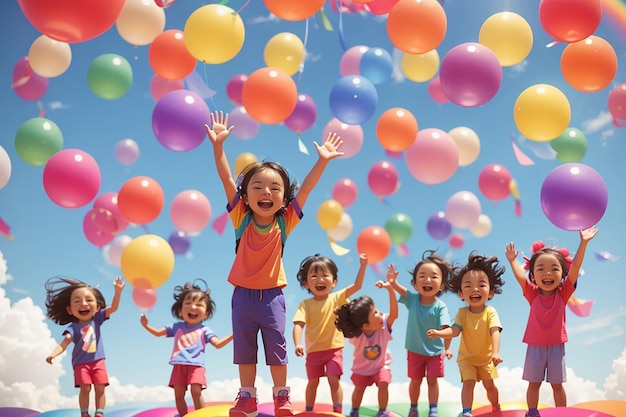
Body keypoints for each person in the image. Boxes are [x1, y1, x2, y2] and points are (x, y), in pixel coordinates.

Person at [204, 111, 344, 417]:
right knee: (244, 348)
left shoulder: (285, 220)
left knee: (277, 347)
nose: (265, 192)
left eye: (274, 188)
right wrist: (218, 147)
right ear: (246, 195)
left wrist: (322, 160)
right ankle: (247, 397)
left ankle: (281, 396)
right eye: (257, 186)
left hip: (272, 297)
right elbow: (227, 178)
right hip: (242, 294)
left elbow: (305, 189)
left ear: (284, 198)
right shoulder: (241, 217)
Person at [504, 226, 598, 417]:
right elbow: (520, 277)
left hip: (556, 346)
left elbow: (576, 267)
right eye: (541, 269)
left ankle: (562, 412)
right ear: (533, 274)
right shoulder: (532, 293)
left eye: (554, 269)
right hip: (535, 345)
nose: (547, 274)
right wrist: (513, 261)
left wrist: (583, 243)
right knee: (534, 382)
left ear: (562, 273)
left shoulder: (564, 293)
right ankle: (532, 412)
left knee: (557, 384)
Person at [426, 253, 506, 417]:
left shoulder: (490, 312)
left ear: (490, 292)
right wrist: (439, 332)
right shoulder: (462, 313)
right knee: (468, 383)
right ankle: (467, 412)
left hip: (486, 359)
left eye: (481, 285)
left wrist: (495, 352)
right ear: (461, 294)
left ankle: (496, 406)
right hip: (467, 358)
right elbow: (454, 331)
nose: (475, 289)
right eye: (468, 286)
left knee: (489, 386)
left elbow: (495, 331)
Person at [140, 280, 233, 417]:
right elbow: (159, 333)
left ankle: (202, 415)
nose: (193, 307)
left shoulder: (204, 330)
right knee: (178, 394)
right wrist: (146, 326)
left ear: (206, 313)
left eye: (199, 305)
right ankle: (184, 415)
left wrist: (234, 334)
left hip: (196, 366)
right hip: (179, 365)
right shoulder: (177, 327)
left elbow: (218, 344)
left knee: (196, 391)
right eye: (188, 303)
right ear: (180, 311)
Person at [292, 253, 368, 414]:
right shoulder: (305, 304)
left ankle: (337, 411)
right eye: (314, 276)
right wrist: (297, 343)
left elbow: (357, 286)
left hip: (334, 349)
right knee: (312, 382)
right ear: (306, 283)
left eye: (325, 275)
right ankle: (309, 411)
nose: (320, 280)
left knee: (334, 380)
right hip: (313, 351)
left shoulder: (337, 298)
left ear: (334, 281)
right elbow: (298, 324)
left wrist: (363, 266)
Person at [45, 276, 125, 417]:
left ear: (97, 307)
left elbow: (114, 308)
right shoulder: (72, 327)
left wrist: (117, 292)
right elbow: (64, 343)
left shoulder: (97, 319)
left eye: (89, 300)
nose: (83, 304)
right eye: (77, 301)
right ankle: (84, 413)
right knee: (85, 388)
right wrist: (53, 354)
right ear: (69, 310)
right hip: (81, 363)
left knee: (100, 388)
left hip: (98, 361)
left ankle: (99, 413)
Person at [388, 251, 453, 417]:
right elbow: (402, 292)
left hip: (435, 352)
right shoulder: (413, 300)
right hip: (415, 349)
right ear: (415, 284)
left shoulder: (441, 307)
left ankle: (433, 409)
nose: (428, 280)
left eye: (434, 276)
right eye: (422, 276)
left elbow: (448, 330)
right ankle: (413, 407)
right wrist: (393, 283)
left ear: (442, 285)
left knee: (432, 381)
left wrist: (441, 338)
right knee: (415, 381)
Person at [335, 267, 399, 417]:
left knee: (383, 383)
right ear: (365, 325)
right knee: (359, 389)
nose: (380, 313)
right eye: (375, 313)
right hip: (361, 369)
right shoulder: (356, 334)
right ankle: (354, 411)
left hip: (380, 366)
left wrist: (390, 289)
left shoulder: (384, 326)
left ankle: (382, 411)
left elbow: (394, 313)